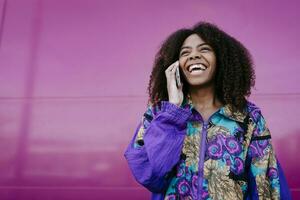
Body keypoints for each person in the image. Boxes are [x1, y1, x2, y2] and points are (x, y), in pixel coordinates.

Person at [123, 21, 291, 200]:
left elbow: (268, 186)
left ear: (221, 59)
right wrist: (172, 112)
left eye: (204, 49)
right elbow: (149, 176)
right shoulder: (158, 114)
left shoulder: (248, 118)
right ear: (176, 65)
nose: (194, 55)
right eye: (185, 52)